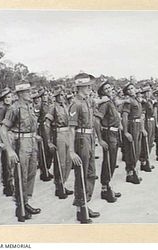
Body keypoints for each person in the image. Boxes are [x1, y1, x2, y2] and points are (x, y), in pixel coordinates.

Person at [0, 81, 41, 222]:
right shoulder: (14, 108)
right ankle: (20, 207)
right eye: (29, 92)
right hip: (20, 144)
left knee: (31, 173)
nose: (31, 94)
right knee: (20, 175)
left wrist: (35, 136)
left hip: (31, 142)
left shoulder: (29, 107)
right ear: (21, 94)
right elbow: (3, 130)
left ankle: (26, 202)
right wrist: (10, 150)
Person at [68, 73, 100, 224]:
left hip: (89, 138)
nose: (89, 88)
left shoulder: (87, 102)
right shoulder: (76, 103)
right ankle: (81, 209)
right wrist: (71, 151)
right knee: (81, 174)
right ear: (80, 87)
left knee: (91, 173)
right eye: (87, 86)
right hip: (81, 140)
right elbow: (71, 129)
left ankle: (85, 204)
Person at [95, 79, 122, 202]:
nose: (109, 90)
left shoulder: (111, 102)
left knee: (112, 161)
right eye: (106, 89)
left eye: (110, 88)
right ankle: (105, 189)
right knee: (108, 162)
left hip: (114, 133)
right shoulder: (105, 104)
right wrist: (100, 139)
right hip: (109, 134)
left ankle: (108, 186)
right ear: (102, 92)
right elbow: (97, 121)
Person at [44, 86, 74, 199]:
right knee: (60, 162)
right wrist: (49, 141)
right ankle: (59, 187)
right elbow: (47, 124)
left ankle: (63, 183)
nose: (62, 97)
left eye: (63, 94)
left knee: (68, 161)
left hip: (68, 134)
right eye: (60, 95)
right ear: (56, 96)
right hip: (59, 134)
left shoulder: (66, 106)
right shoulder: (53, 107)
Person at [0, 87, 14, 196]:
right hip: (4, 136)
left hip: (11, 136)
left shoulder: (11, 108)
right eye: (5, 97)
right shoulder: (2, 109)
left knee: (10, 162)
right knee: (6, 162)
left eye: (9, 97)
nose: (7, 99)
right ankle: (7, 186)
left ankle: (10, 184)